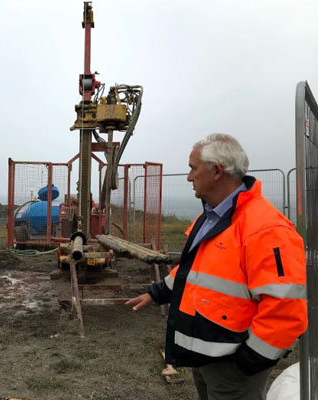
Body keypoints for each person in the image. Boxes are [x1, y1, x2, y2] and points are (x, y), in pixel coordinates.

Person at [126, 133, 308, 400]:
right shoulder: (209, 217)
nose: (189, 177)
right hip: (205, 356)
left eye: (192, 168)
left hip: (233, 364)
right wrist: (156, 293)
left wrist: (248, 362)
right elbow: (194, 272)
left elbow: (285, 308)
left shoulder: (266, 228)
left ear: (216, 171)